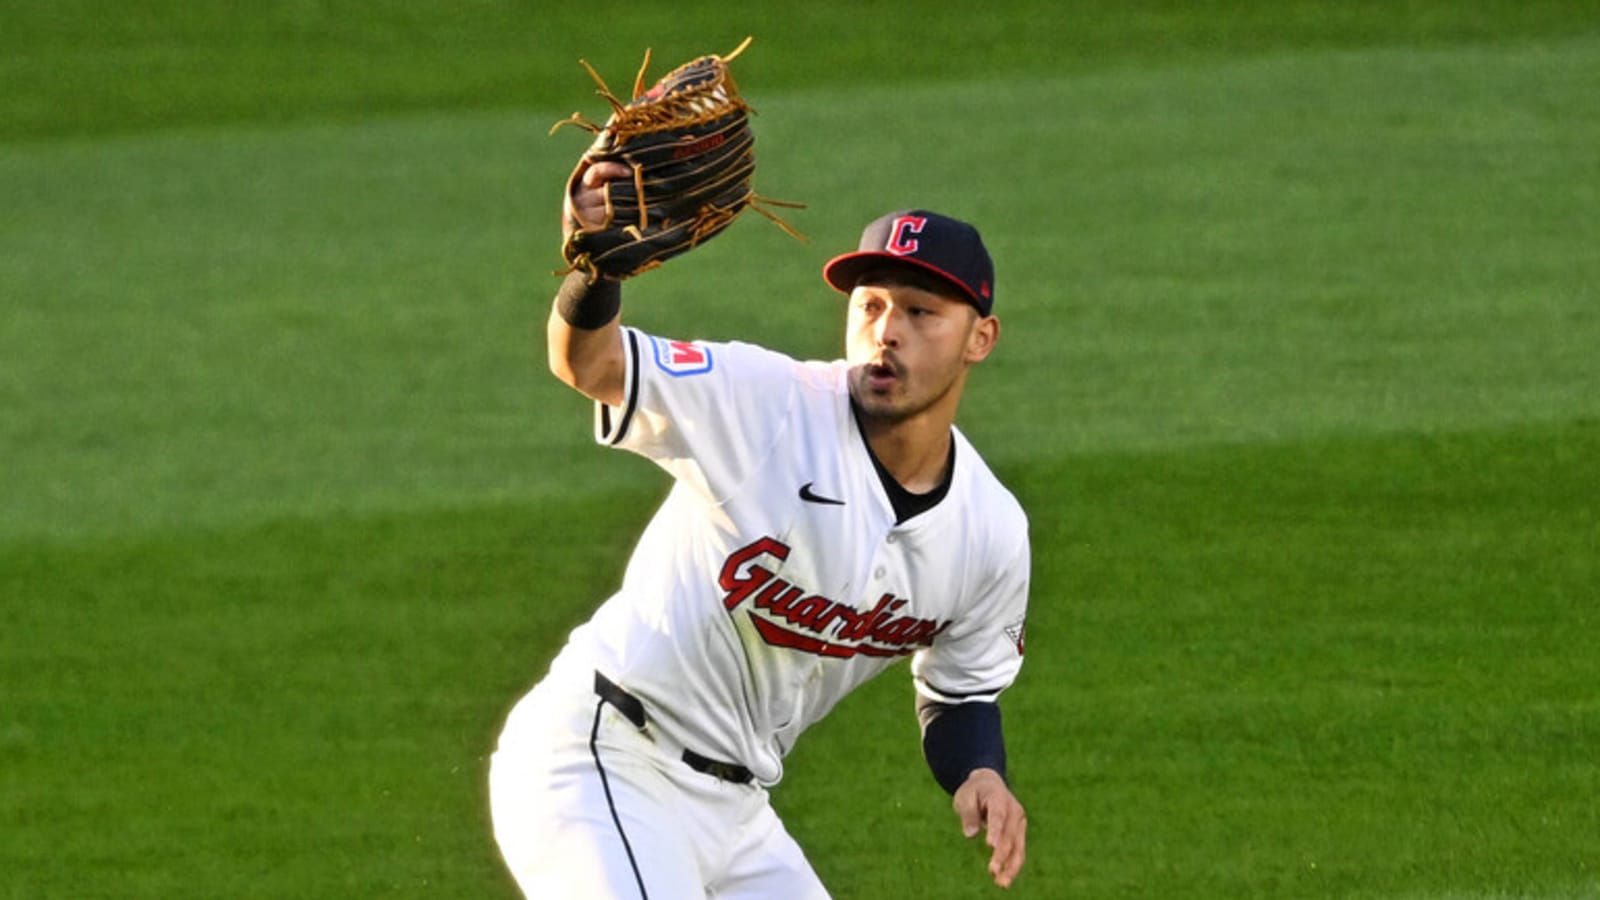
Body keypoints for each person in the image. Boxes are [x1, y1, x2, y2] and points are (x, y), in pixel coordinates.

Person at [489, 161, 1031, 899]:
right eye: (869, 306)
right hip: (603, 759)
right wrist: (595, 273)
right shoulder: (768, 405)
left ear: (981, 338)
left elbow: (961, 691)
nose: (885, 333)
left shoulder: (990, 531)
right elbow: (590, 364)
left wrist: (980, 774)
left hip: (738, 812)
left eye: (918, 312)